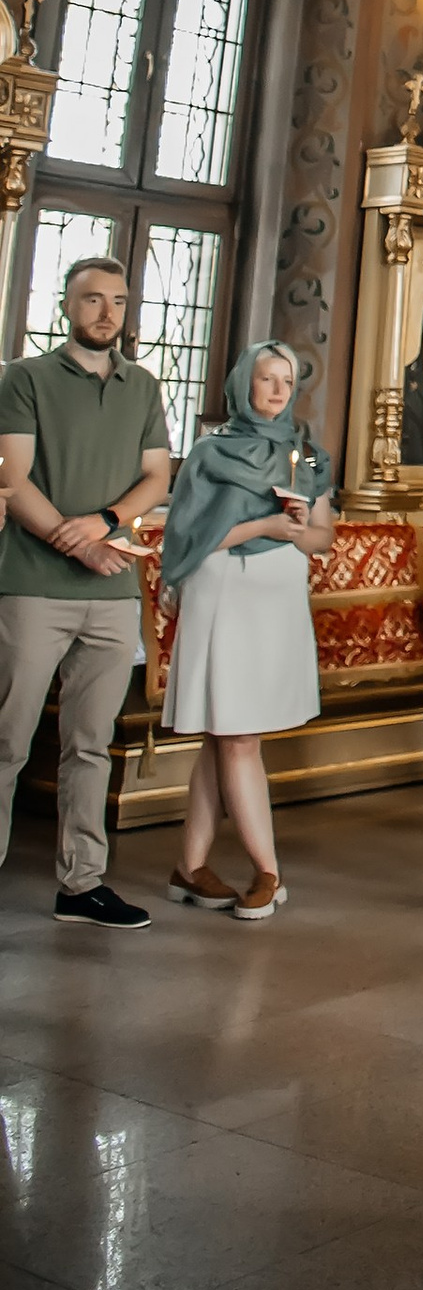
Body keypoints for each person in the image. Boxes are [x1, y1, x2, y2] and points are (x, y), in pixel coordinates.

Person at [0, 255, 172, 929]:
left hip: (113, 593)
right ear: (67, 306)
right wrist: (77, 543)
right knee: (8, 740)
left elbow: (156, 477)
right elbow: (13, 481)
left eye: (119, 301)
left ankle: (81, 884)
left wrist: (104, 526)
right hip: (33, 587)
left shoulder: (142, 386)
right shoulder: (25, 378)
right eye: (93, 300)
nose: (107, 312)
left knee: (90, 743)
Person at [160, 343, 333, 923]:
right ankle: (268, 871)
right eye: (267, 378)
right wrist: (263, 523)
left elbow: (319, 540)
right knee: (236, 737)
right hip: (222, 590)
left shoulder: (305, 455)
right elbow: (190, 538)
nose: (279, 390)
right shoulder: (210, 453)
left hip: (276, 593)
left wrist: (301, 527)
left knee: (222, 734)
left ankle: (189, 867)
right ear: (244, 384)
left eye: (287, 380)